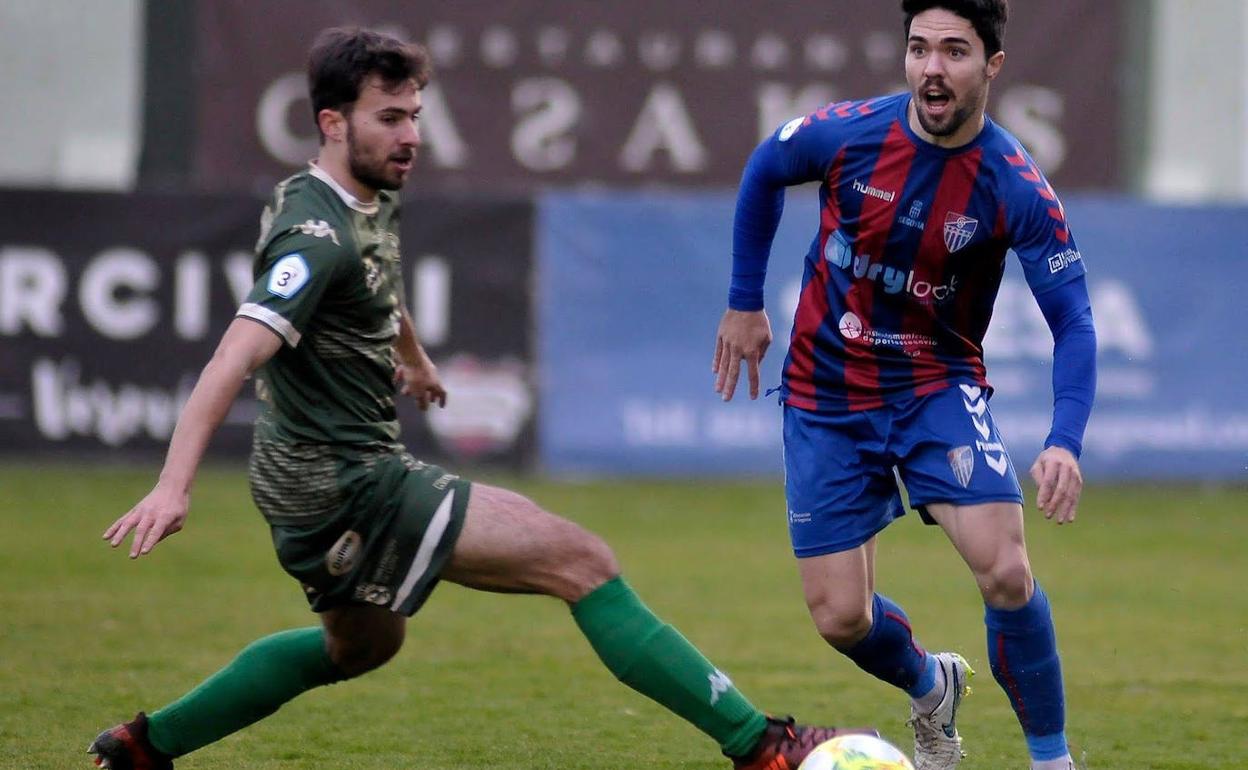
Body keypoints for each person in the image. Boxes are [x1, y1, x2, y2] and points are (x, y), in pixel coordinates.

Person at [88, 26, 870, 770]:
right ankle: (762, 745)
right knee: (582, 561)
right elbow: (233, 355)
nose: (411, 136)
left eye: (414, 116)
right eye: (389, 118)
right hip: (347, 482)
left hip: (304, 487)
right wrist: (173, 486)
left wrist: (413, 359)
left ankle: (147, 745)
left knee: (360, 647)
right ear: (332, 122)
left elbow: (376, 283)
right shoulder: (314, 238)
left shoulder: (360, 194)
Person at [712, 2, 1096, 770]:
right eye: (919, 49)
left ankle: (1052, 761)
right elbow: (764, 169)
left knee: (1006, 570)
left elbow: (1075, 321)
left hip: (935, 387)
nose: (932, 69)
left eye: (954, 51)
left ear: (992, 65)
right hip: (825, 391)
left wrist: (1064, 441)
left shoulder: (1014, 183)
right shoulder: (851, 134)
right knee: (841, 618)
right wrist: (744, 302)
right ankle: (931, 687)